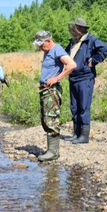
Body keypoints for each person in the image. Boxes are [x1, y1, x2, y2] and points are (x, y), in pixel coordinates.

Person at [32, 31, 76, 163]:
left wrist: (57, 78)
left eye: (41, 45)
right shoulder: (47, 52)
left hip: (52, 91)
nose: (40, 48)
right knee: (46, 119)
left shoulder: (57, 49)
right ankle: (52, 150)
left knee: (51, 119)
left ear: (49, 41)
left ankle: (53, 152)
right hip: (46, 90)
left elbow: (72, 65)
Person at [64, 18, 107, 144]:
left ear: (81, 29)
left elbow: (104, 49)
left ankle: (84, 136)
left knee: (84, 106)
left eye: (75, 28)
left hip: (85, 77)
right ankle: (76, 134)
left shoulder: (91, 40)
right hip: (73, 77)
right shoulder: (72, 42)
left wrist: (94, 60)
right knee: (74, 107)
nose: (73, 31)